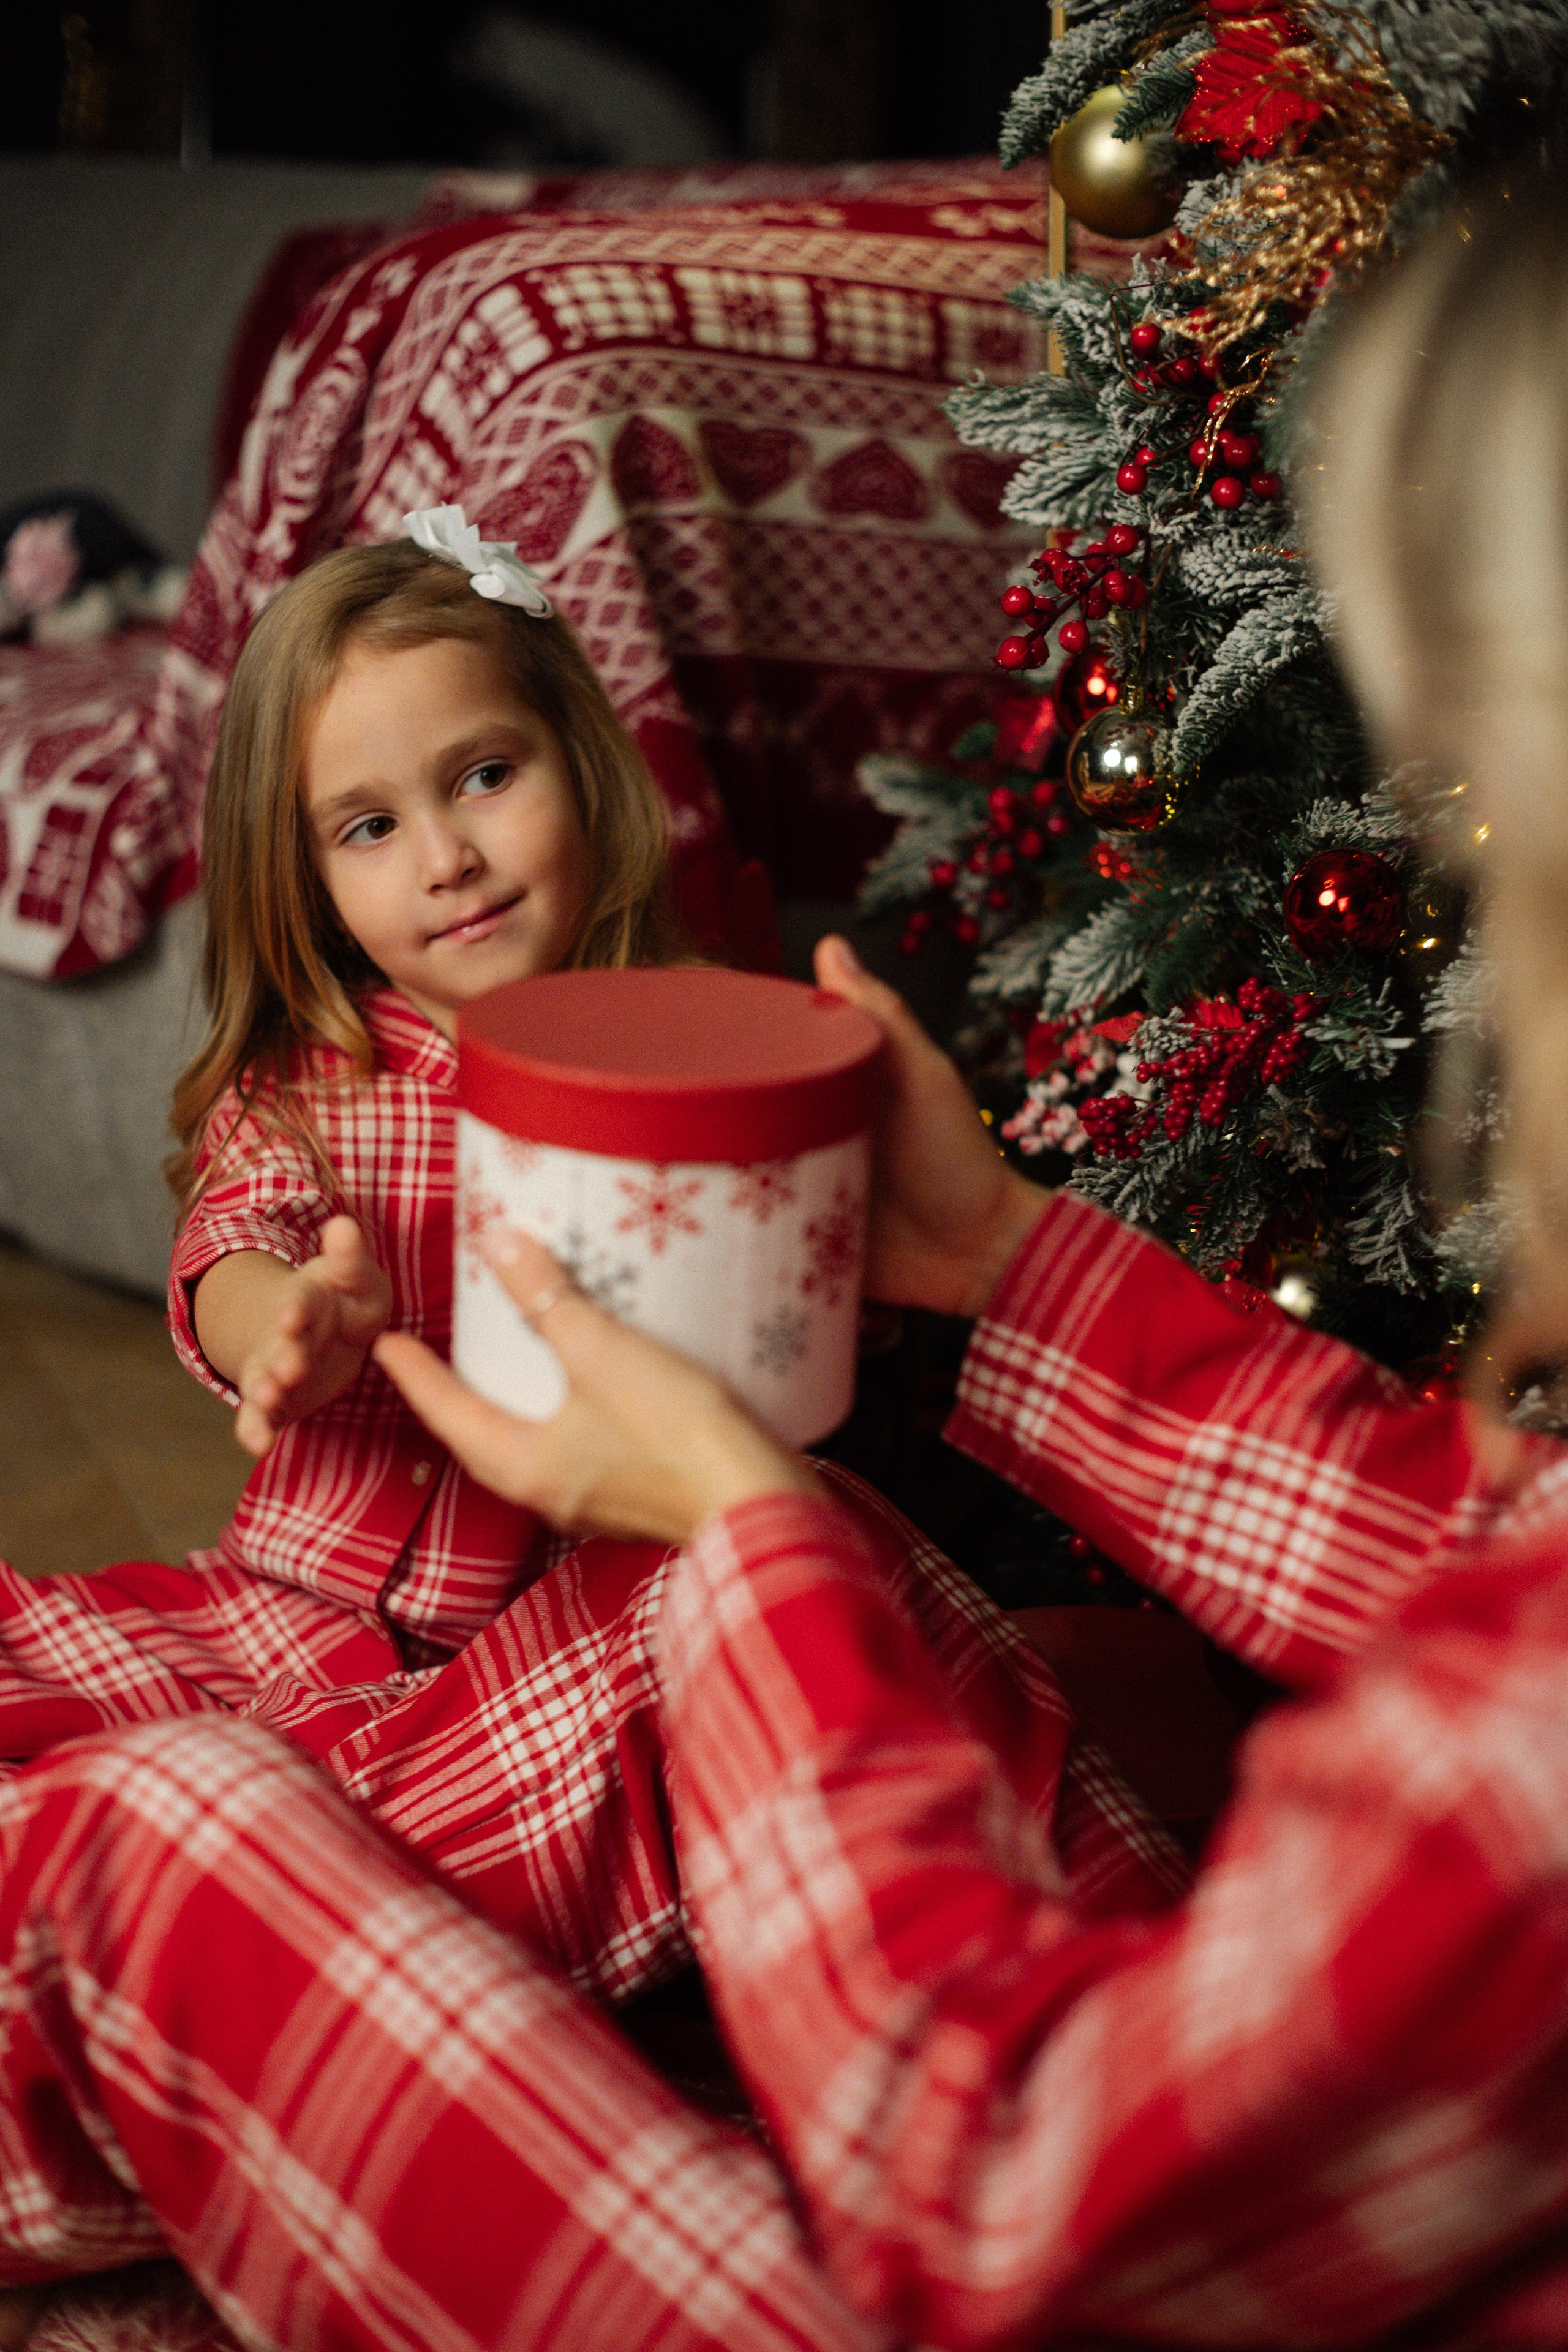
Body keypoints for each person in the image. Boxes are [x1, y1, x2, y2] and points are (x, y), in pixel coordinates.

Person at [2, 153, 1564, 2352]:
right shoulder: (326, 1085)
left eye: (486, 784)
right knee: (159, 1757)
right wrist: (995, 1262)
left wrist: (744, 1511)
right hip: (335, 1614)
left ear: (581, 771)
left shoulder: (678, 1017)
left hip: (622, 1735)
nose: (446, 860)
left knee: (181, 1825)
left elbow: (989, 2200)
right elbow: (242, 1251)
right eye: (369, 825)